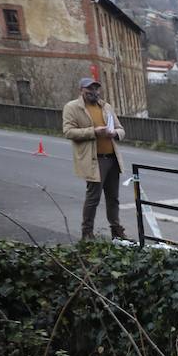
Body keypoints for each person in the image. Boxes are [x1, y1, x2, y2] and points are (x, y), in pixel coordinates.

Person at [61, 76, 128, 241]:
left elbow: (121, 129)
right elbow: (68, 132)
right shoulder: (72, 107)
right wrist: (94, 131)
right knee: (93, 198)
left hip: (112, 157)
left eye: (96, 88)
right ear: (81, 90)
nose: (93, 92)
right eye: (89, 89)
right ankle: (87, 233)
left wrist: (115, 134)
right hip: (94, 159)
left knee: (113, 198)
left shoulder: (106, 107)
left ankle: (116, 231)